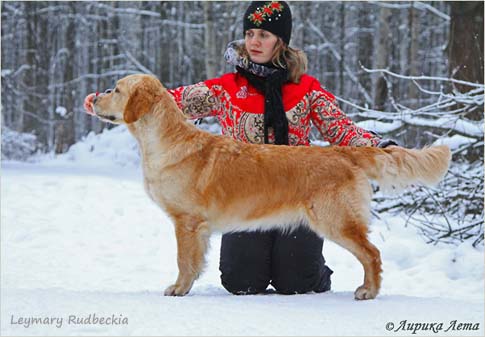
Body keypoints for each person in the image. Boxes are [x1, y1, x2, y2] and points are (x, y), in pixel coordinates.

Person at [86, 1, 396, 295]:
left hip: (300, 187)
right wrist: (107, 105)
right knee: (241, 281)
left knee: (296, 283)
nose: (254, 41)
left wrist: (379, 146)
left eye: (264, 35)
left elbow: (339, 127)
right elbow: (162, 102)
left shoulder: (307, 89)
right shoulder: (225, 88)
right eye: (249, 34)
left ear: (281, 42)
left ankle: (315, 267)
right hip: (243, 198)